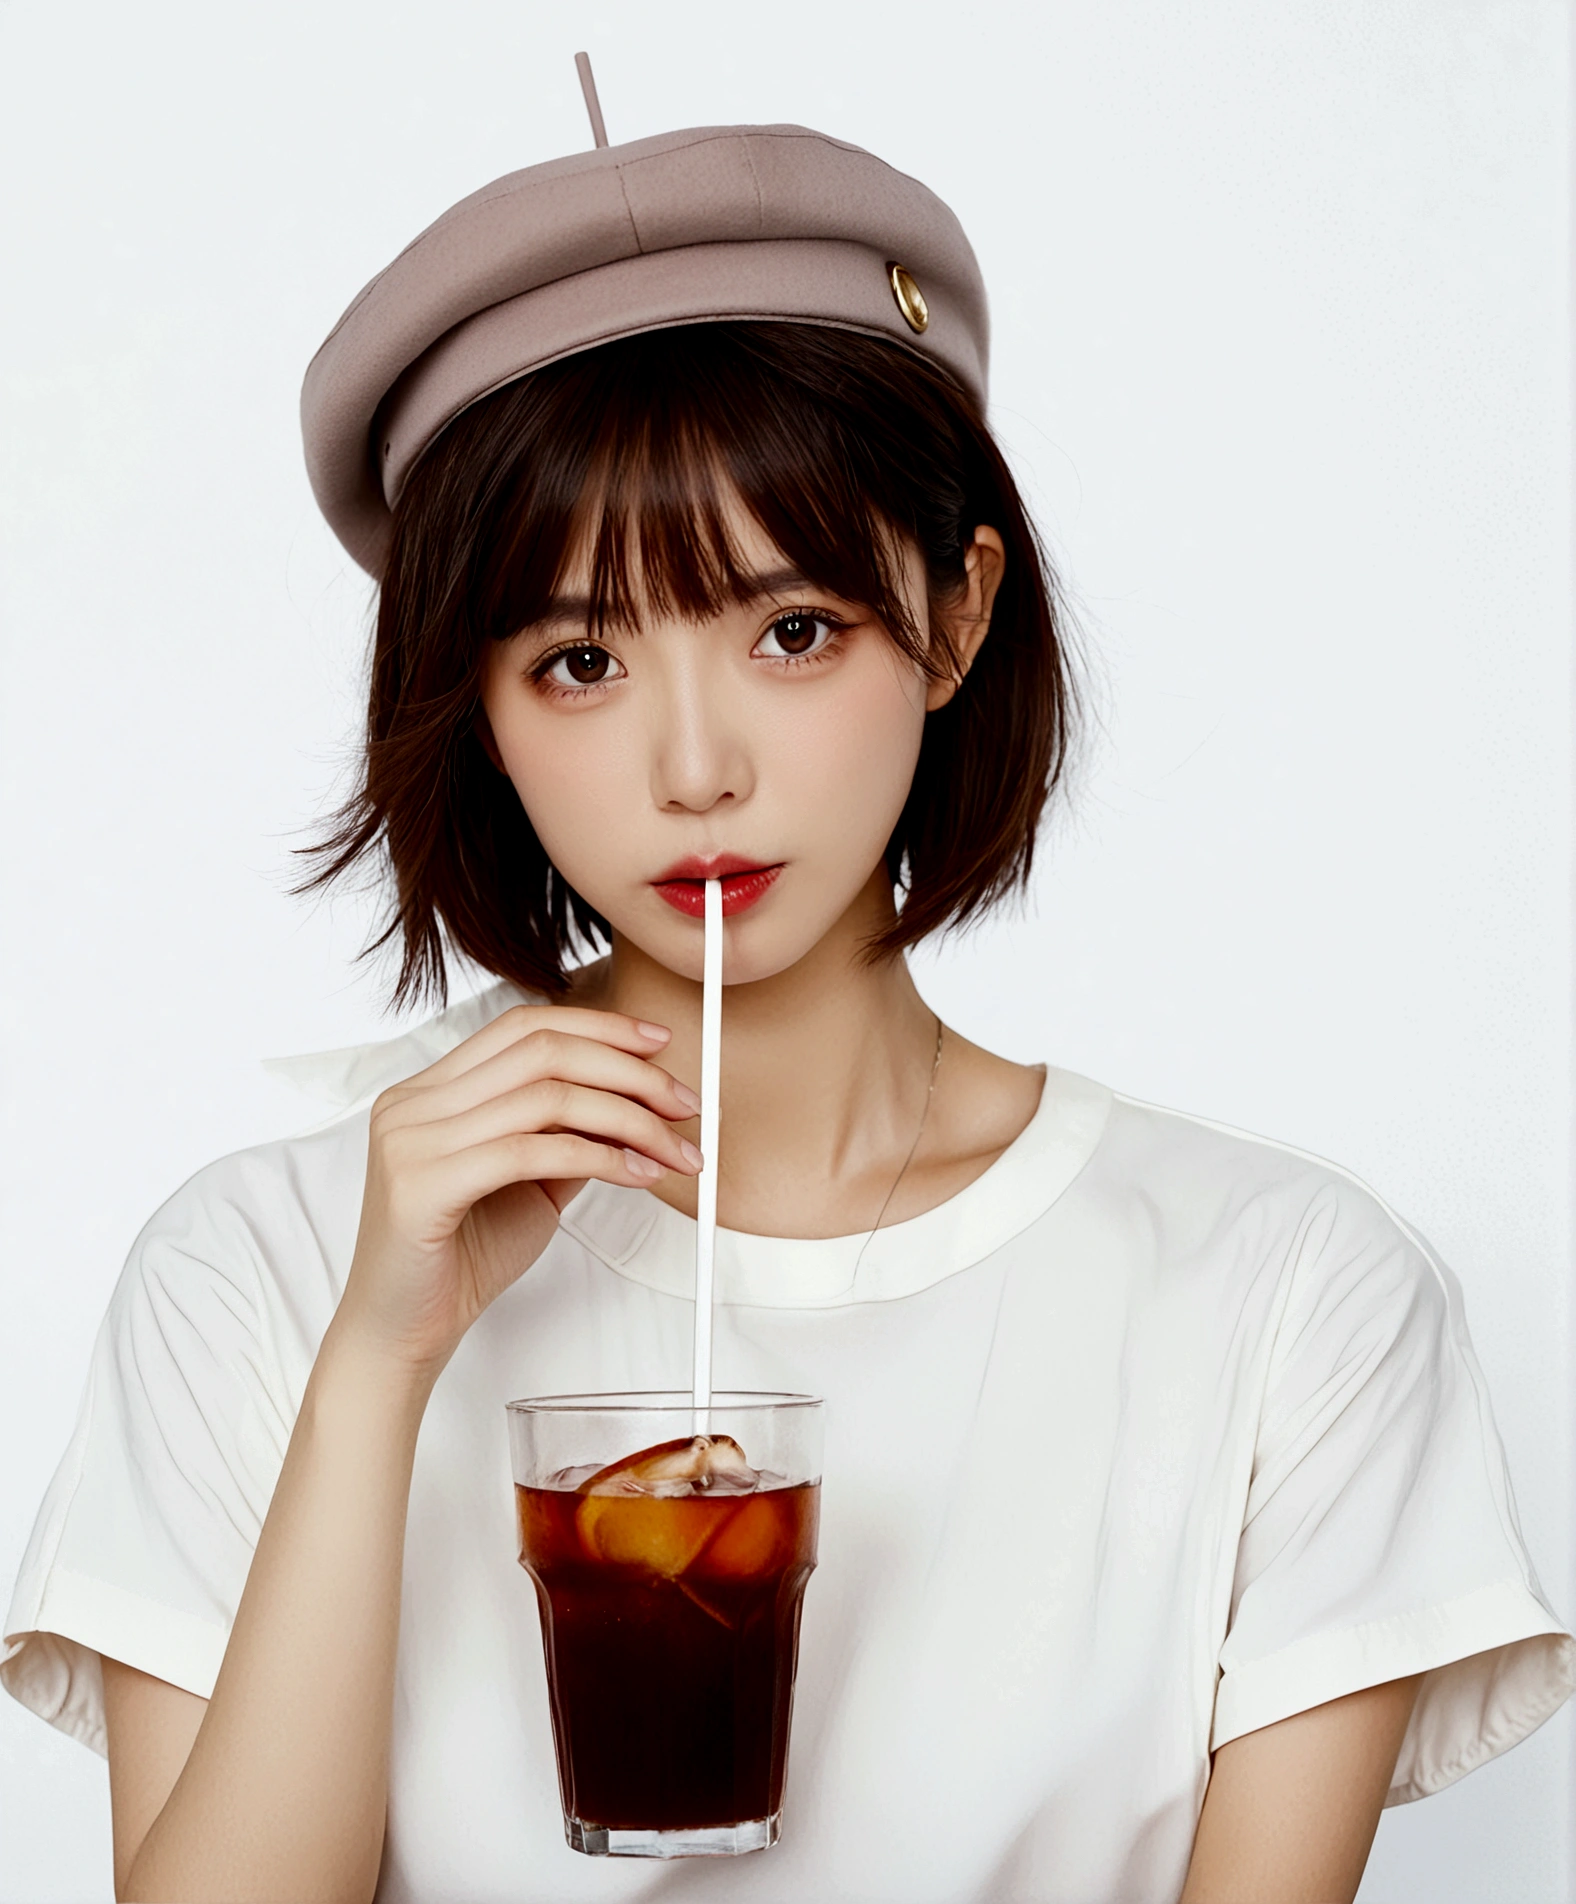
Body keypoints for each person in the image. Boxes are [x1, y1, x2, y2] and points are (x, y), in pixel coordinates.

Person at [3, 108, 1571, 1904]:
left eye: (794, 631)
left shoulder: (1290, 1297)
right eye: (581, 660)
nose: (694, 768)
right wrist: (378, 1366)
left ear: (958, 614)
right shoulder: (262, 1272)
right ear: (479, 706)